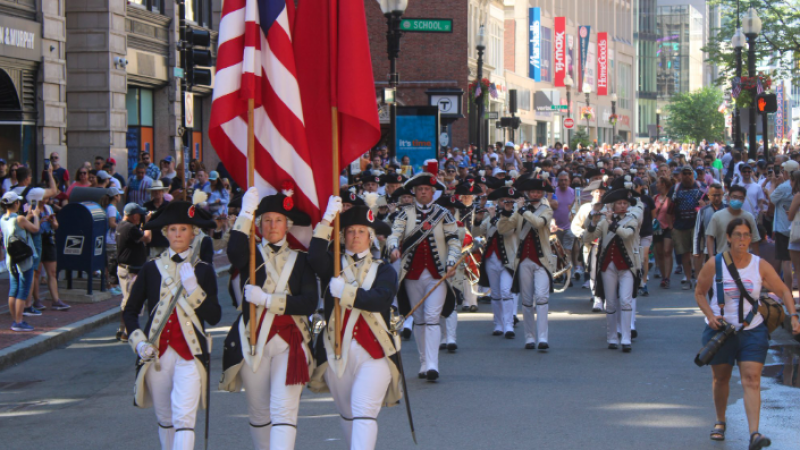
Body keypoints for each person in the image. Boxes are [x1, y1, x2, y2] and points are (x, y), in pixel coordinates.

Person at [219, 188, 317, 449]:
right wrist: (246, 212)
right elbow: (234, 251)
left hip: (291, 340)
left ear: (288, 225)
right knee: (259, 411)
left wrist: (268, 301)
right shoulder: (249, 256)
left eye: (278, 220)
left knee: (283, 410)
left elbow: (310, 302)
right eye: (266, 220)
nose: (272, 226)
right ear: (259, 224)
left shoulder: (301, 260)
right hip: (254, 340)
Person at [123, 200, 221, 450]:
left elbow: (215, 316)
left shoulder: (204, 271)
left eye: (184, 229)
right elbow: (131, 312)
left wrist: (194, 290)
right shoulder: (150, 269)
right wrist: (138, 343)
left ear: (193, 232)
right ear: (166, 232)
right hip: (157, 355)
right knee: (166, 419)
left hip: (190, 355)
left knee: (184, 419)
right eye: (173, 229)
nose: (178, 235)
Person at [694, 217, 800, 448]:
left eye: (746, 235)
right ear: (729, 238)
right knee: (720, 378)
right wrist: (711, 316)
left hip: (752, 331)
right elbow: (700, 292)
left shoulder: (759, 265)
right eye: (738, 235)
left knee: (751, 380)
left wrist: (793, 317)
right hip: (720, 332)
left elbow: (783, 290)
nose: (743, 239)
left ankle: (754, 434)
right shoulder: (715, 263)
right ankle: (720, 421)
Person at [307, 200, 401, 450]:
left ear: (370, 237)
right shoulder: (331, 265)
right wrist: (327, 220)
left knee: (363, 411)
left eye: (361, 231)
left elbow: (381, 298)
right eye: (350, 231)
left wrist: (347, 293)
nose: (355, 236)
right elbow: (314, 255)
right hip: (336, 351)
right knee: (349, 415)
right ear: (342, 236)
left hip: (375, 352)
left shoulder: (384, 270)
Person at [387, 161, 460, 381]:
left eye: (427, 189)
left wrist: (452, 261)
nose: (424, 192)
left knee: (431, 317)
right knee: (418, 318)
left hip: (437, 274)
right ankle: (423, 362)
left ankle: (432, 365)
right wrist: (392, 248)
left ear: (433, 192)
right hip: (412, 274)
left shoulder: (444, 214)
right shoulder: (404, 214)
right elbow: (394, 234)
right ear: (415, 192)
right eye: (420, 190)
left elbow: (454, 240)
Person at [502, 176, 555, 350]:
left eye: (538, 192)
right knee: (526, 300)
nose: (535, 194)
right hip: (523, 259)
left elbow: (539, 223)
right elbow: (503, 229)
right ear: (527, 193)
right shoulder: (519, 211)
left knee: (541, 297)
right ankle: (529, 337)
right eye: (532, 191)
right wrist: (506, 211)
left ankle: (543, 338)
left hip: (542, 261)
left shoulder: (546, 210)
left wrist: (522, 210)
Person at [586, 184, 640, 352]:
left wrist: (610, 222)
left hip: (627, 266)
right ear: (613, 206)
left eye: (625, 203)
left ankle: (626, 338)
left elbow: (626, 234)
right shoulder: (603, 222)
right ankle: (612, 338)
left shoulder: (632, 219)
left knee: (625, 301)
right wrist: (592, 222)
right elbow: (587, 238)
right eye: (619, 203)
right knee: (610, 304)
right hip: (608, 266)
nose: (623, 206)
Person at [1, 192, 40, 332]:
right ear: (16, 204)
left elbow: (18, 225)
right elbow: (35, 229)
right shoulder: (20, 218)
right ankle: (18, 321)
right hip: (23, 258)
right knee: (23, 290)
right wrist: (35, 215)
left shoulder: (3, 218)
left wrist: (26, 217)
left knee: (14, 289)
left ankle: (15, 319)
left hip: (11, 258)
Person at [115, 203, 152, 341]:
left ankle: (122, 329)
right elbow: (147, 238)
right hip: (130, 270)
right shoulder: (130, 228)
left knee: (127, 299)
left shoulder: (121, 225)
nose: (141, 217)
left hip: (125, 268)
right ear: (134, 215)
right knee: (130, 301)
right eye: (140, 215)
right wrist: (148, 223)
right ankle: (126, 331)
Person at [571, 179, 608, 311]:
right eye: (597, 191)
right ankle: (597, 298)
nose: (600, 194)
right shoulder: (585, 208)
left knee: (606, 271)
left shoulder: (610, 207)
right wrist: (583, 235)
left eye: (602, 191)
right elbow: (575, 226)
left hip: (607, 245)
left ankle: (606, 296)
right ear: (592, 193)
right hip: (591, 245)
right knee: (593, 271)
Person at [669, 165, 705, 290]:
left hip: (697, 225)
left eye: (689, 173)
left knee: (697, 253)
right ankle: (688, 278)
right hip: (680, 225)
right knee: (684, 253)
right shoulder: (676, 188)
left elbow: (708, 204)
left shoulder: (701, 187)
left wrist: (704, 204)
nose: (687, 176)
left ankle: (698, 279)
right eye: (684, 173)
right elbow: (669, 208)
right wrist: (671, 226)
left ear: (693, 174)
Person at [706, 186, 761, 256]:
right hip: (723, 259)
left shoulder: (749, 217)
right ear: (728, 197)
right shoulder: (717, 216)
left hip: (743, 259)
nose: (737, 200)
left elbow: (755, 240)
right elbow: (710, 237)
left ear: (744, 200)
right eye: (734, 197)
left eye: (740, 198)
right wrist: (711, 258)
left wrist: (757, 261)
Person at [652, 177, 674, 288]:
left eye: (658, 183)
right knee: (659, 254)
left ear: (664, 184)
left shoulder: (671, 198)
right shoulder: (655, 198)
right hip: (657, 228)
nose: (656, 185)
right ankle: (663, 275)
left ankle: (667, 277)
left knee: (667, 251)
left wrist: (673, 225)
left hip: (668, 228)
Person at [104, 187, 123, 296]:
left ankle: (114, 284)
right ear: (115, 197)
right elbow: (112, 223)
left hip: (113, 239)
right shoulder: (111, 209)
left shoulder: (113, 208)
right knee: (111, 263)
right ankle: (111, 285)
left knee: (113, 262)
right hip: (110, 240)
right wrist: (121, 227)